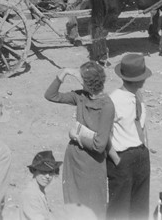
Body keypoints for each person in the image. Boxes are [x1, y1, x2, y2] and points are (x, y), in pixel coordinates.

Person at [44, 63, 115, 217]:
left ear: (87, 83)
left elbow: (100, 145)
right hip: (74, 160)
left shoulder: (107, 105)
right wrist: (63, 73)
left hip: (92, 165)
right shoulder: (81, 96)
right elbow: (51, 95)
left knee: (94, 209)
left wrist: (76, 136)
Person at [106, 54, 152, 220]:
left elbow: (142, 125)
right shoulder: (112, 101)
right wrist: (116, 159)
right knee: (119, 209)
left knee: (140, 208)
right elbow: (104, 134)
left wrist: (145, 147)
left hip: (141, 155)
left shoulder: (138, 96)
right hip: (122, 159)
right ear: (139, 79)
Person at [11, 151, 62, 220]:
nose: (47, 176)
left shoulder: (38, 190)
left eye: (50, 172)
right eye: (43, 172)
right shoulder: (30, 194)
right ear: (34, 171)